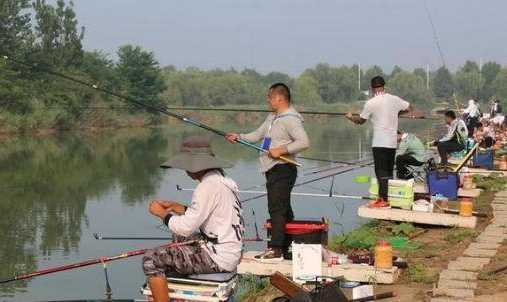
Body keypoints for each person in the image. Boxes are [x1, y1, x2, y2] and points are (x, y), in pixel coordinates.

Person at [143, 136, 244, 302]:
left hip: (219, 257)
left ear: (196, 166)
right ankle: (179, 286)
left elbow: (185, 227)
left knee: (151, 259)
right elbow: (213, 216)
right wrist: (180, 208)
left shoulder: (206, 187)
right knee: (180, 240)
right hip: (230, 251)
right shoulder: (225, 182)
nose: (185, 170)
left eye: (186, 165)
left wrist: (161, 213)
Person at [225, 83, 309, 261]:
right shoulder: (273, 118)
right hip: (272, 169)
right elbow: (256, 135)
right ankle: (288, 245)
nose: (268, 100)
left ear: (279, 98)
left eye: (270, 97)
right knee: (283, 209)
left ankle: (276, 249)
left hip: (283, 169)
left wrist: (281, 150)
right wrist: (238, 136)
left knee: (276, 209)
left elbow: (303, 142)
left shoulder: (290, 119)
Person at [346, 76, 412, 207]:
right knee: (388, 171)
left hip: (380, 143)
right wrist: (396, 113)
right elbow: (410, 107)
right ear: (384, 86)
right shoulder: (394, 99)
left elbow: (361, 120)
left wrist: (350, 117)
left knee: (380, 171)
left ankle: (383, 200)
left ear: (372, 88)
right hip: (392, 143)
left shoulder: (371, 103)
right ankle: (386, 199)